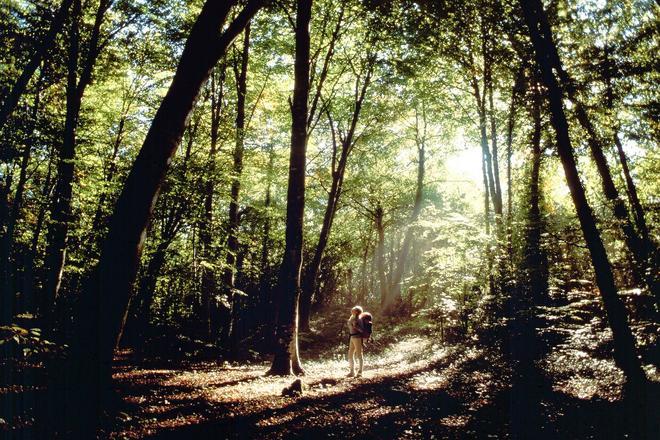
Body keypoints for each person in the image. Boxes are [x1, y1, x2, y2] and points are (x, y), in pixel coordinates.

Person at [347, 305, 365, 377]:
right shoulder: (351, 317)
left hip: (357, 337)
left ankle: (360, 372)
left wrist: (356, 327)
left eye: (353, 310)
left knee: (359, 354)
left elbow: (362, 330)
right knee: (350, 354)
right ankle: (352, 371)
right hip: (352, 337)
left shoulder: (359, 319)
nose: (351, 310)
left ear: (357, 311)